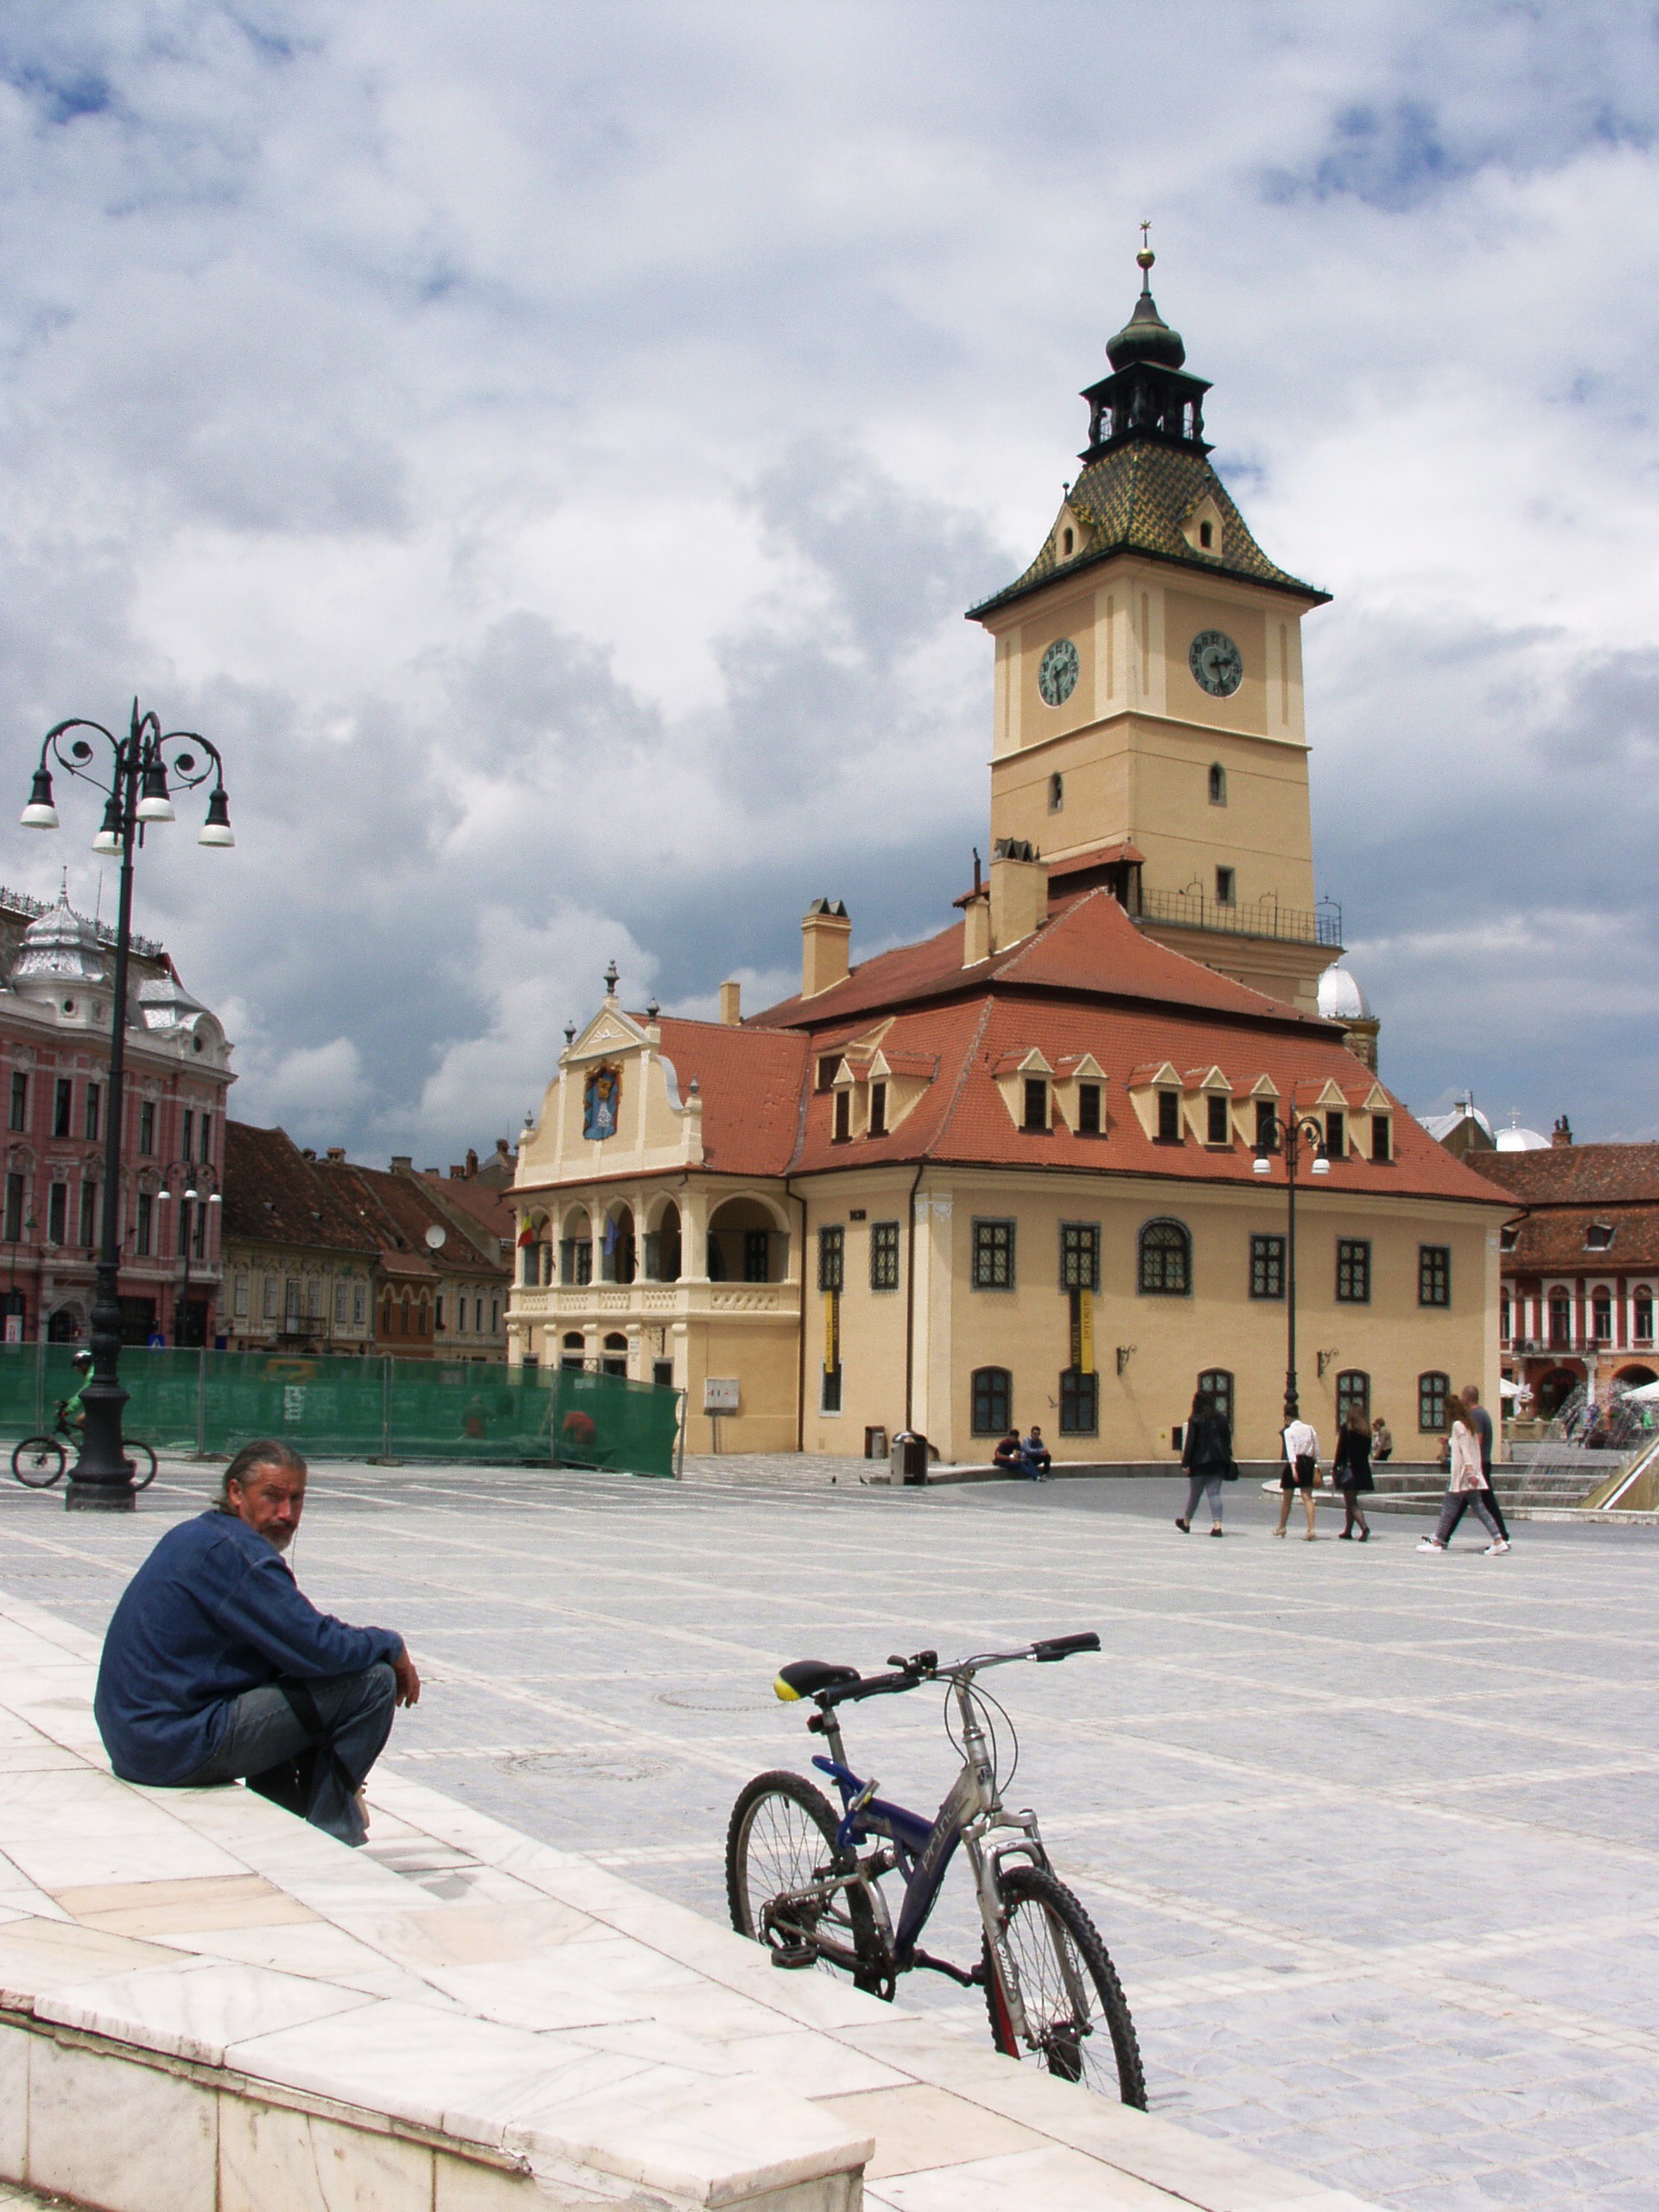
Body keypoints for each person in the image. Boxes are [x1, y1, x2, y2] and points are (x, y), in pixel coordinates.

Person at [93, 1440, 419, 1846]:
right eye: (272, 1496)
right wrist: (391, 1645)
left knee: (284, 1670)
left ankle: (287, 1810)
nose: (287, 1514)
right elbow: (319, 1647)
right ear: (236, 1493)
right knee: (372, 1682)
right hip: (171, 1745)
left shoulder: (201, 1534)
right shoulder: (239, 1555)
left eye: (296, 1499)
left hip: (137, 1740)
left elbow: (299, 1642)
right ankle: (334, 1835)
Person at [1418, 1402, 1508, 1554]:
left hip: (1461, 1476)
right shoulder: (1469, 1426)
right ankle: (1498, 1539)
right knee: (1479, 1508)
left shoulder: (1457, 1425)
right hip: (1469, 1474)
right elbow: (1468, 1447)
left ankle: (1438, 1542)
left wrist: (1470, 1472)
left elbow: (1465, 1451)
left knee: (1449, 1508)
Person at [1434, 1385, 1511, 1546]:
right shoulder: (1481, 1413)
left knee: (1469, 1504)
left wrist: (1470, 1470)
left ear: (1466, 1398)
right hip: (1478, 1465)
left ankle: (1442, 1538)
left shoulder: (1475, 1415)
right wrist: (1451, 1441)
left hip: (1477, 1466)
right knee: (1475, 1504)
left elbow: (1474, 1442)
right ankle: (1499, 1537)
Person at [1177, 1389, 1231, 1535]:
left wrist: (1185, 1463)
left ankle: (1186, 1522)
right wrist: (1227, 1458)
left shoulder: (1195, 1419)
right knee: (1214, 1493)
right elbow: (1227, 1439)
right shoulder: (1221, 1418)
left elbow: (1191, 1442)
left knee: (1195, 1494)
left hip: (1198, 1463)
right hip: (1218, 1462)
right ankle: (1217, 1525)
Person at [1274, 1411, 1320, 1539]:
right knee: (1307, 1497)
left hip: (1295, 1463)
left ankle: (1282, 1527)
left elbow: (1291, 1452)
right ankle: (1311, 1529)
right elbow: (1317, 1449)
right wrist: (1316, 1464)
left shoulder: (1289, 1431)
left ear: (1288, 1417)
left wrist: (1294, 1470)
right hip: (1309, 1462)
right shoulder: (1310, 1429)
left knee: (1287, 1498)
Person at [1332, 1404, 1375, 1540]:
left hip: (1350, 1470)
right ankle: (1348, 1530)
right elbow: (1367, 1451)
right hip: (1362, 1469)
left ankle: (1364, 1527)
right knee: (1350, 1501)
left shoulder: (1347, 1428)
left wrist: (1335, 1467)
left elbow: (1341, 1450)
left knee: (1351, 1503)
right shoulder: (1366, 1430)